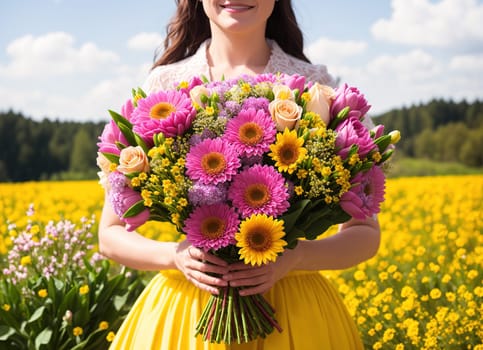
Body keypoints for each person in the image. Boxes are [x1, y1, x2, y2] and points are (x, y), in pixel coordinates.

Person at [98, 0, 380, 349]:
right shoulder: (162, 86)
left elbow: (365, 234)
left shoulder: (318, 88)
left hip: (295, 315)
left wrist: (297, 257)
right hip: (188, 311)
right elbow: (109, 234)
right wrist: (174, 256)